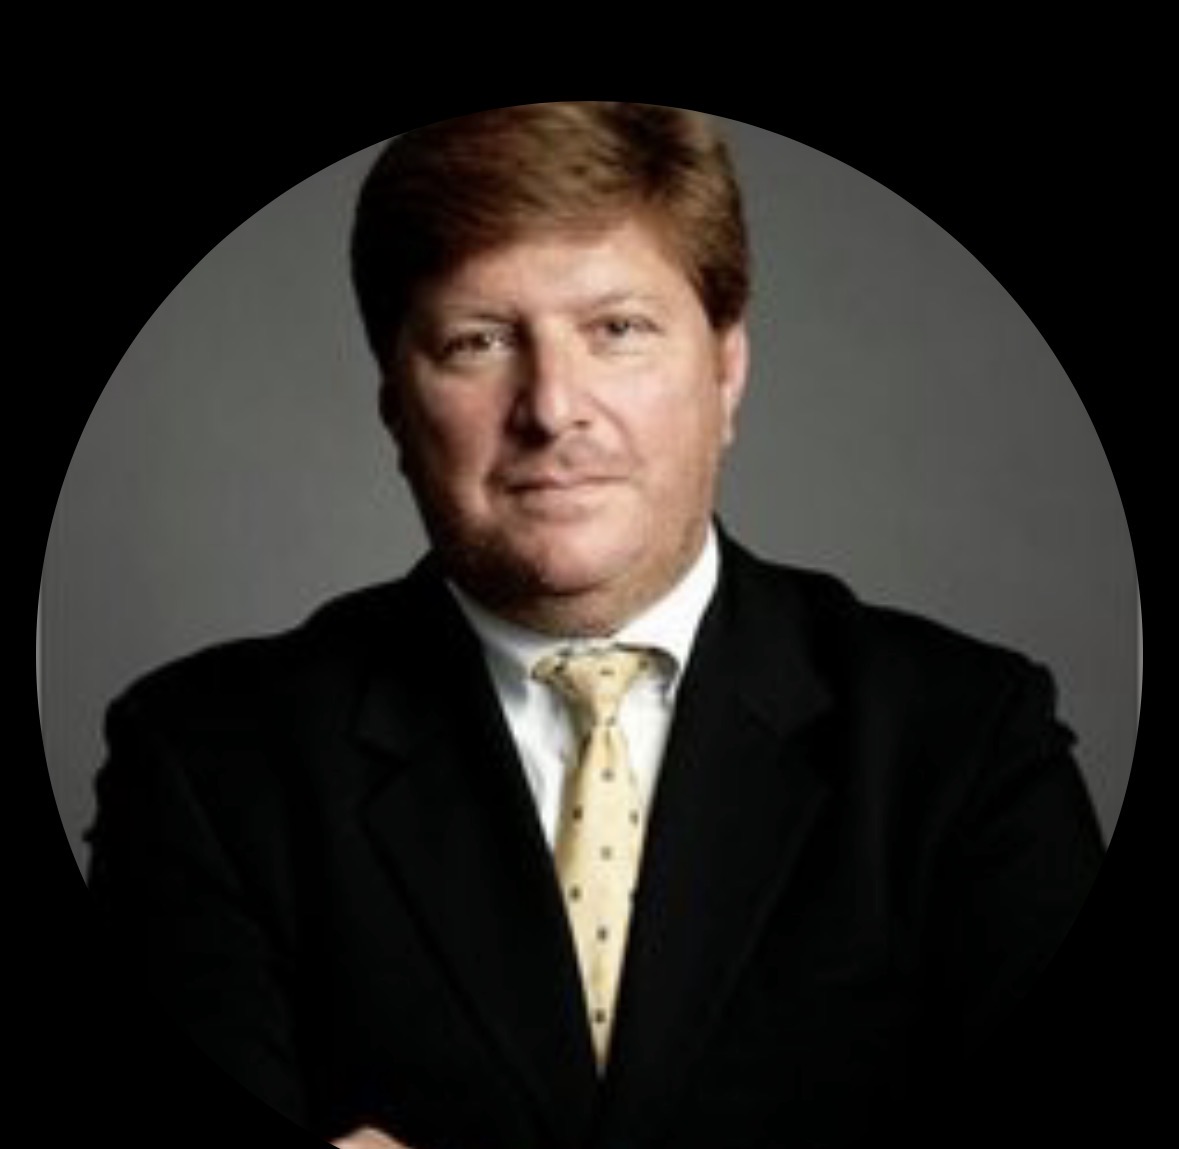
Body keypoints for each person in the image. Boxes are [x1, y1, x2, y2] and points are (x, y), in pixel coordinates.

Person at [86, 103, 1106, 1149]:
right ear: (396, 402)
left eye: (618, 329)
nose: (553, 408)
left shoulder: (968, 743)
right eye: (478, 341)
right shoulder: (208, 766)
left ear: (727, 368)